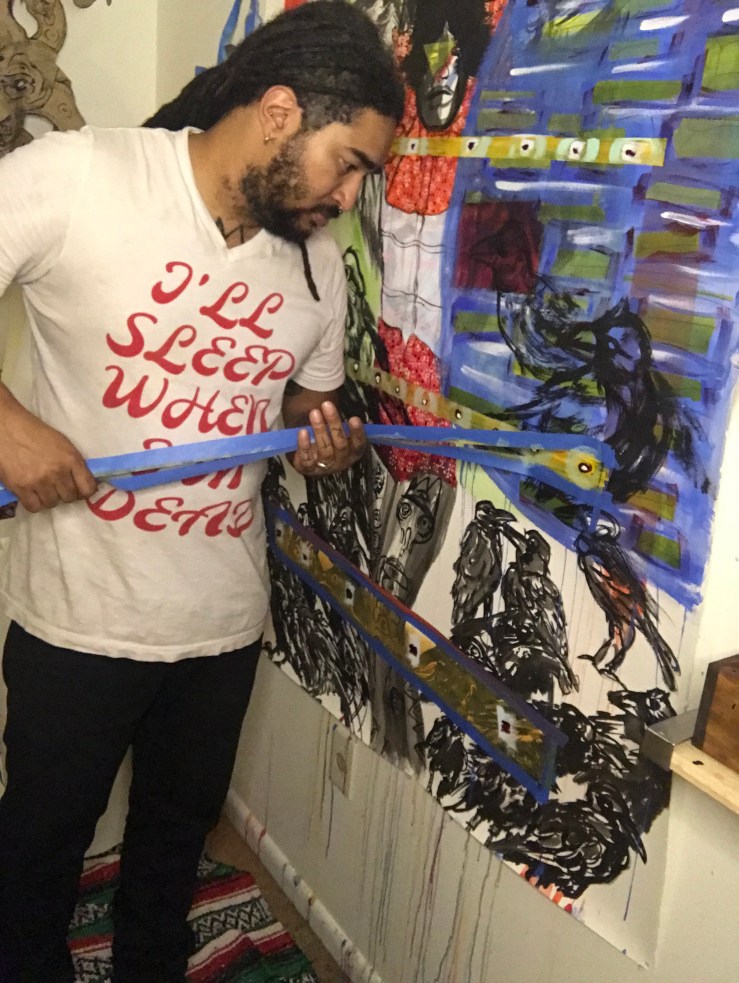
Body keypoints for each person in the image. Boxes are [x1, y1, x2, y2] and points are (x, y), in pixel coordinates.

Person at [0, 3, 404, 981]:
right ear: (279, 112)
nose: (349, 196)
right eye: (348, 162)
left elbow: (302, 402)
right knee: (38, 847)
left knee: (174, 839)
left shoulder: (314, 263)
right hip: (78, 614)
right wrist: (7, 427)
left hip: (220, 618)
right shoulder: (79, 177)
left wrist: (320, 442)